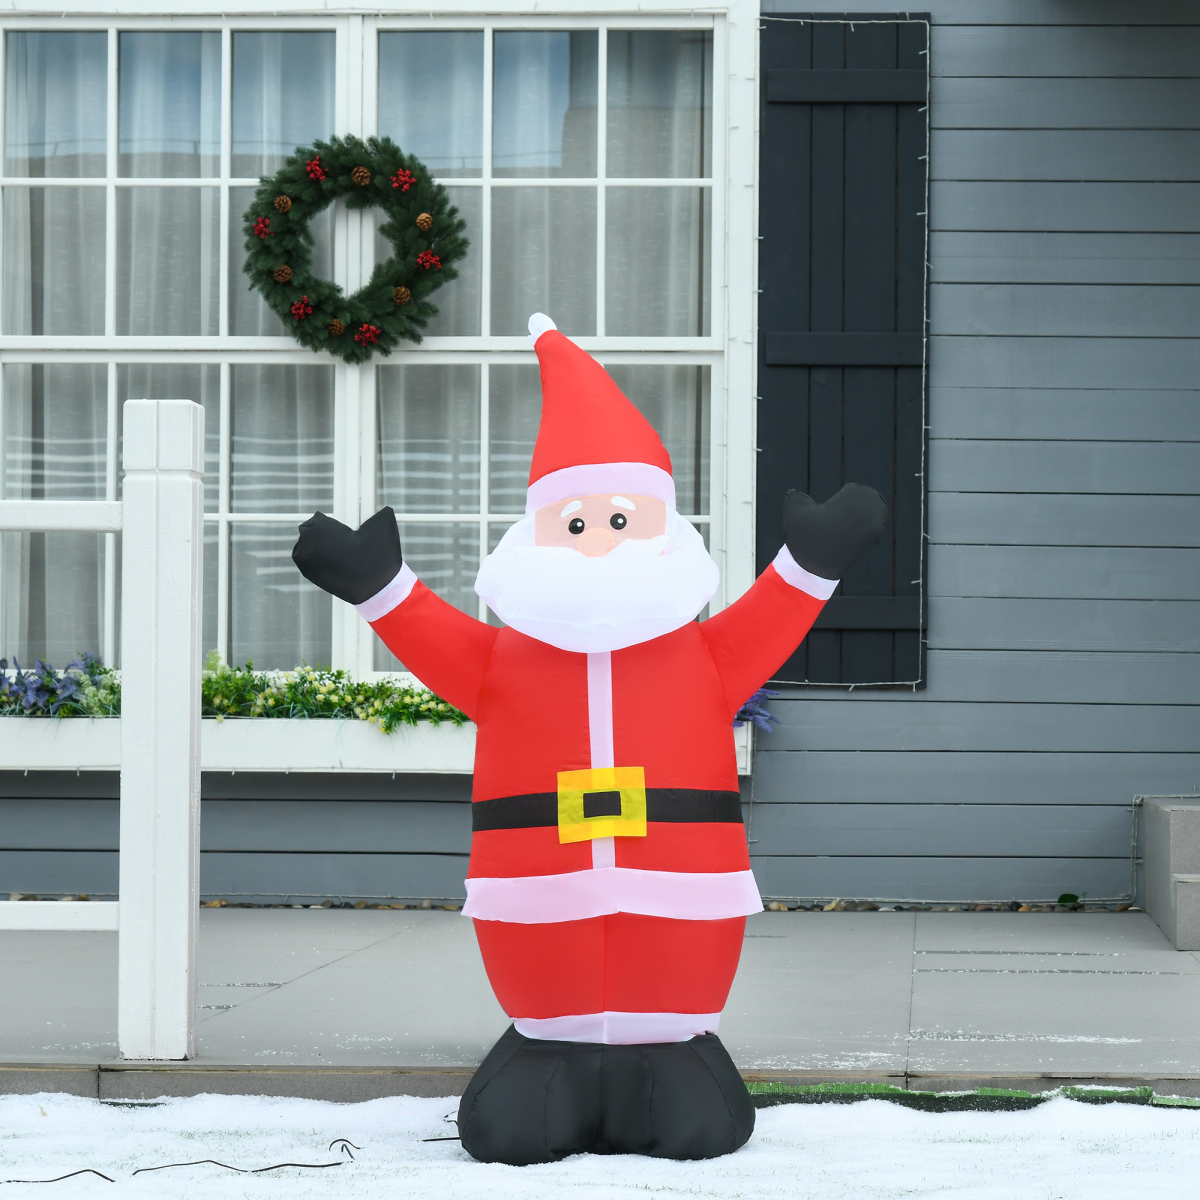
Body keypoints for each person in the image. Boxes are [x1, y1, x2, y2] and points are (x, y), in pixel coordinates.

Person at [293, 313, 886, 1164]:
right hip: (542, 901)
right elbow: (431, 635)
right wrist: (377, 586)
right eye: (576, 524)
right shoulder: (505, 660)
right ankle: (550, 1052)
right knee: (516, 1120)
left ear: (663, 526)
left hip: (678, 899)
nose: (599, 542)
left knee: (692, 1114)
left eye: (621, 520)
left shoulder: (701, 656)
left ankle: (670, 1053)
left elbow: (767, 623)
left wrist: (809, 567)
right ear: (538, 532)